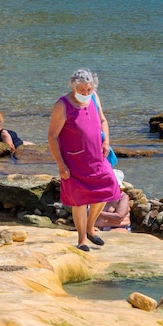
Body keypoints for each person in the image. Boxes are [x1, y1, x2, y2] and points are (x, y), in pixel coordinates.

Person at [48, 68, 120, 251]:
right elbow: (52, 136)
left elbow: (103, 120)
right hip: (74, 161)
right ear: (73, 87)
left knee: (108, 187)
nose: (86, 93)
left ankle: (90, 227)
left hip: (97, 156)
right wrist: (60, 164)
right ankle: (82, 239)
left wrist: (107, 142)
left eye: (88, 90)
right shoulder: (62, 105)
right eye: (82, 91)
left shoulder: (94, 97)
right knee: (79, 200)